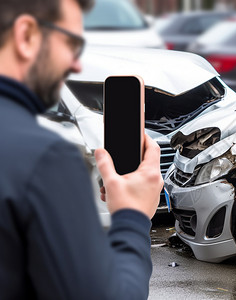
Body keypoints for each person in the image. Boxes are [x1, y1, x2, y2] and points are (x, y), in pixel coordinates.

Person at [0, 0, 164, 299]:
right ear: (26, 36)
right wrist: (133, 215)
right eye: (70, 44)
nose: (75, 65)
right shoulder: (43, 158)